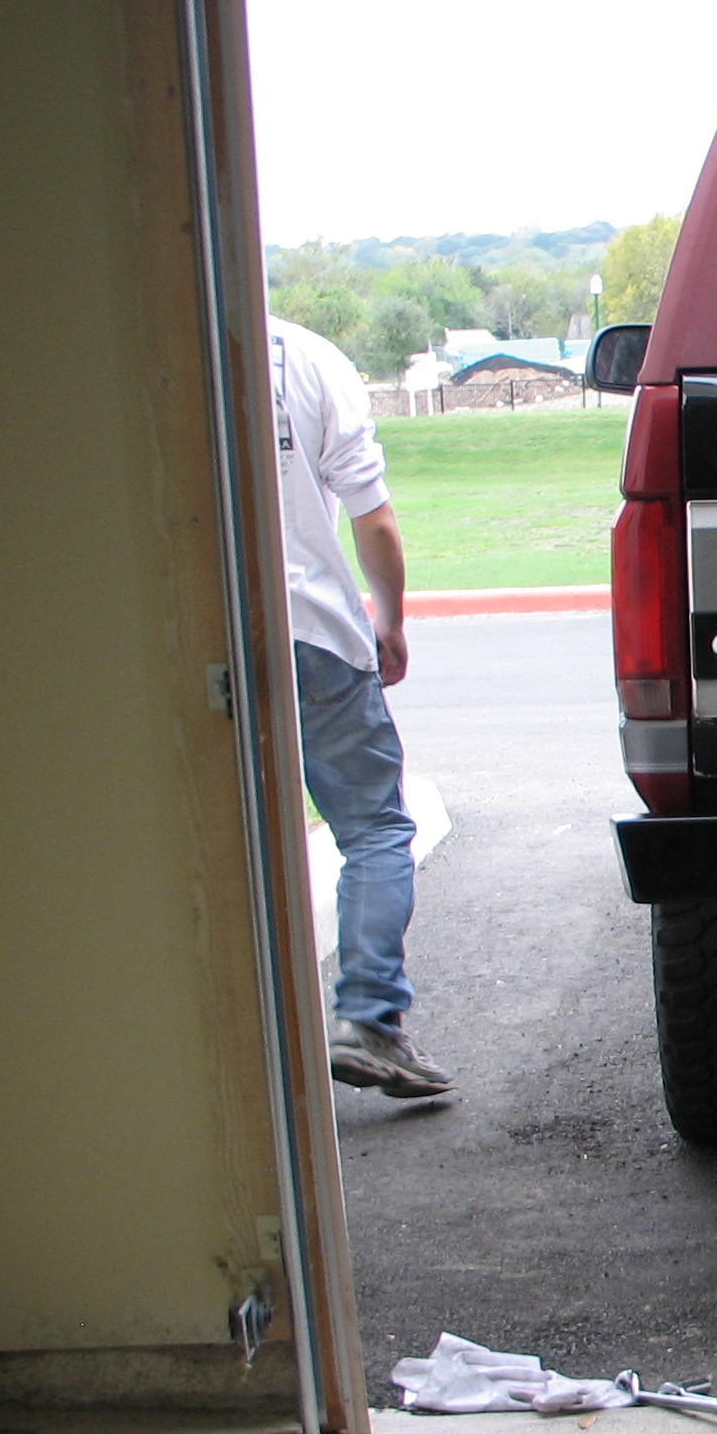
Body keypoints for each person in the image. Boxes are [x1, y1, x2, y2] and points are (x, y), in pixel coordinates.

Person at [270, 312, 454, 1098]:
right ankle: (369, 1019)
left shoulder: (160, 340)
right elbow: (370, 516)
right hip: (311, 627)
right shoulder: (311, 360)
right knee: (375, 830)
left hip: (198, 636)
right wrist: (391, 619)